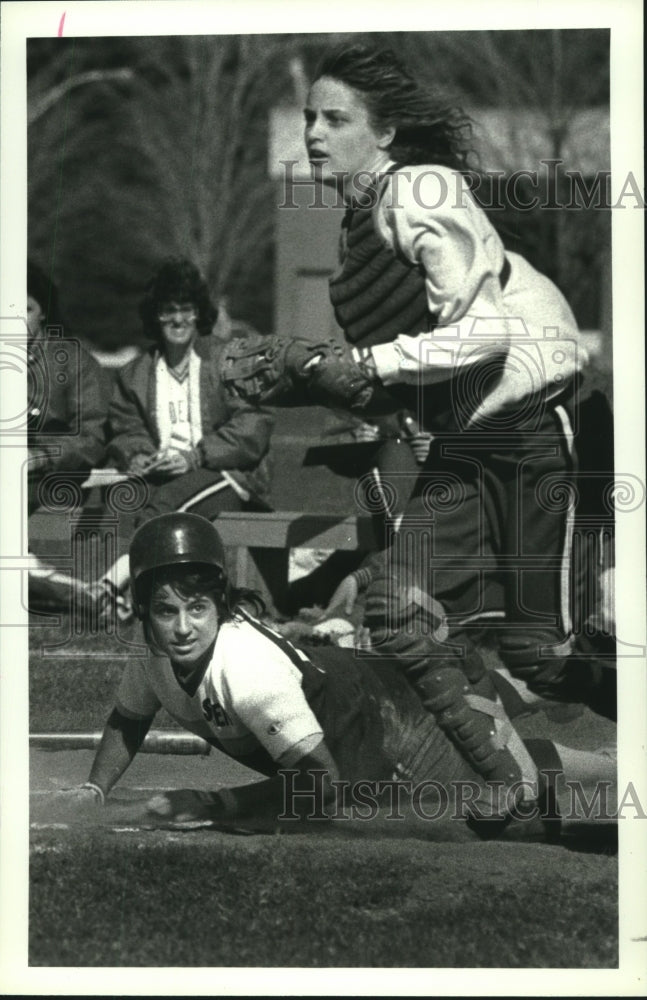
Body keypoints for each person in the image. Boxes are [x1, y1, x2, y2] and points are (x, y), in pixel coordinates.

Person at [220, 43, 615, 788]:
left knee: (550, 651)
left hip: (537, 428)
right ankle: (508, 776)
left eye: (335, 118)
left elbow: (486, 333)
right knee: (401, 608)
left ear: (386, 135)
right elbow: (399, 384)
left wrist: (360, 363)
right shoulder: (356, 236)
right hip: (466, 443)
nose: (312, 133)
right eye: (308, 116)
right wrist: (298, 380)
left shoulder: (420, 189)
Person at [61, 513, 616, 836]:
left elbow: (320, 788)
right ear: (144, 612)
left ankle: (609, 744)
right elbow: (127, 720)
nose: (182, 627)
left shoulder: (248, 674)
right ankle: (562, 693)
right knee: (497, 707)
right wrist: (95, 787)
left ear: (220, 605)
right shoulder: (152, 653)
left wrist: (219, 804)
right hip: (366, 687)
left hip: (397, 727)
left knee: (512, 789)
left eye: (197, 608)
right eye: (165, 610)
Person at [96, 257, 273, 616]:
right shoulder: (136, 373)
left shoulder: (224, 362)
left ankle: (113, 584)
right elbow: (127, 429)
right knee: (148, 500)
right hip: (166, 477)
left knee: (163, 507)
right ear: (155, 315)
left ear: (198, 314)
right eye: (168, 310)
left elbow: (253, 425)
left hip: (226, 475)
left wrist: (194, 457)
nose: (178, 319)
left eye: (186, 309)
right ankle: (143, 602)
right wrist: (141, 456)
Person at [27, 260, 111, 612]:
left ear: (43, 312)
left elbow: (93, 437)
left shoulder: (73, 360)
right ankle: (59, 587)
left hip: (60, 474)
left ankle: (48, 585)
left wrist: (41, 456)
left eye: (25, 309)